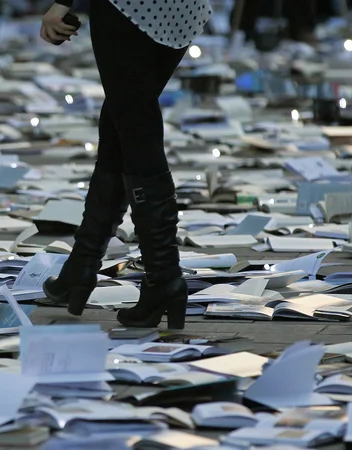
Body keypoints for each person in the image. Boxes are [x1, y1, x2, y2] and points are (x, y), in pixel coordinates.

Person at [40, 0, 211, 329]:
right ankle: (82, 265)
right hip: (184, 9)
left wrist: (63, 2)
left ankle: (163, 277)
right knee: (125, 115)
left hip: (129, 7)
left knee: (134, 125)